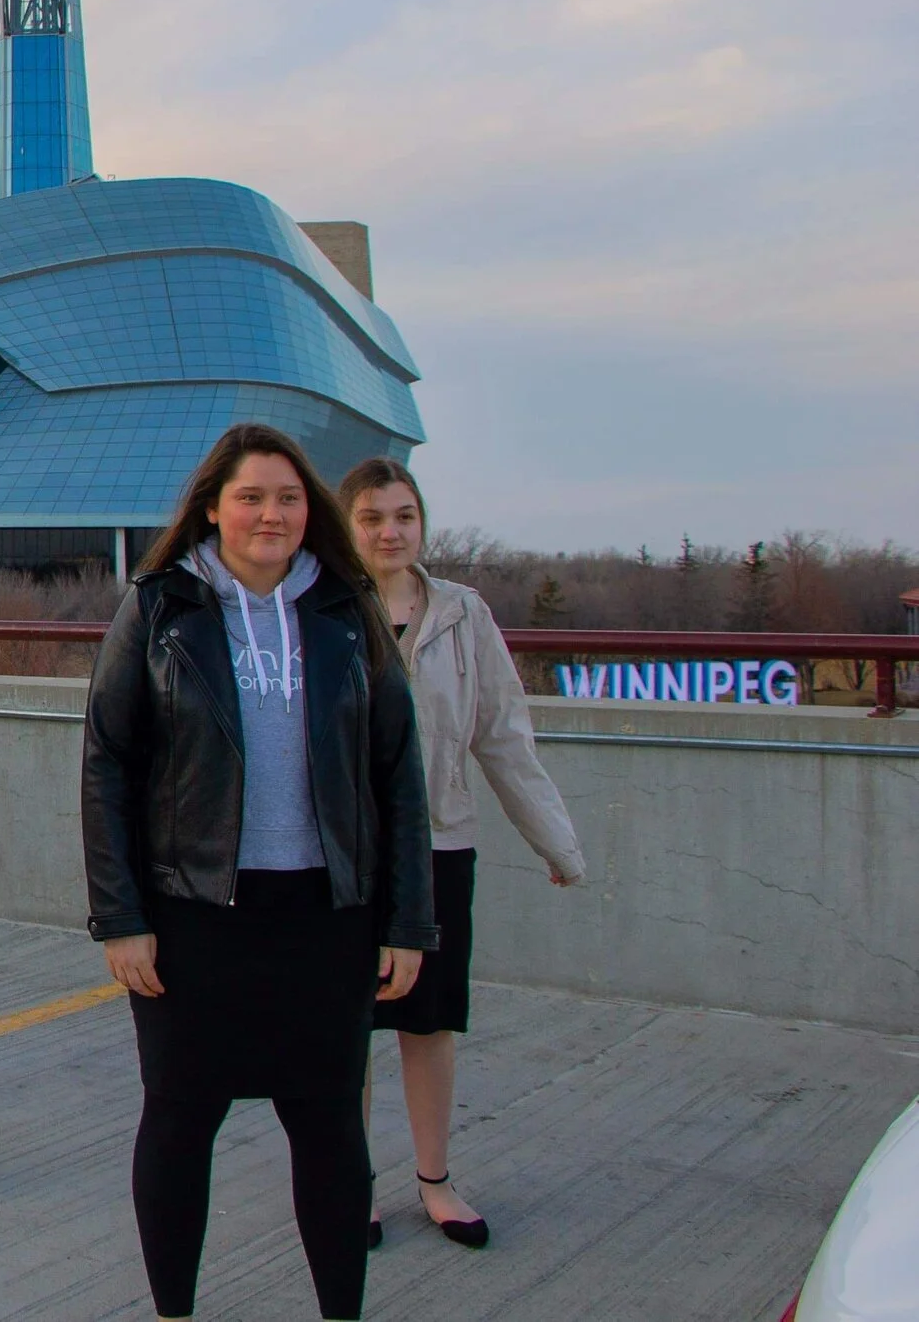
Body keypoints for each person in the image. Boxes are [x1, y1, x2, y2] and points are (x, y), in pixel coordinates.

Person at [81, 423, 436, 1322]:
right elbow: (107, 763)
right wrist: (120, 915)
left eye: (286, 497)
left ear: (307, 510)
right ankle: (173, 1310)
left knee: (328, 1128)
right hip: (194, 914)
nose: (270, 513)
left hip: (326, 917)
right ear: (213, 508)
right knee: (179, 1121)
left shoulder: (345, 609)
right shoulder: (161, 606)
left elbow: (398, 771)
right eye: (250, 497)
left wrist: (407, 921)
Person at [341, 456, 585, 1251]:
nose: (389, 530)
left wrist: (555, 839)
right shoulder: (322, 608)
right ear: (347, 524)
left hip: (440, 846)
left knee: (429, 1020)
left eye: (404, 515)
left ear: (423, 523)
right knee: (347, 1024)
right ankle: (352, 1181)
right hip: (343, 855)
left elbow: (504, 736)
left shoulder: (462, 614)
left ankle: (436, 1179)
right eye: (373, 515)